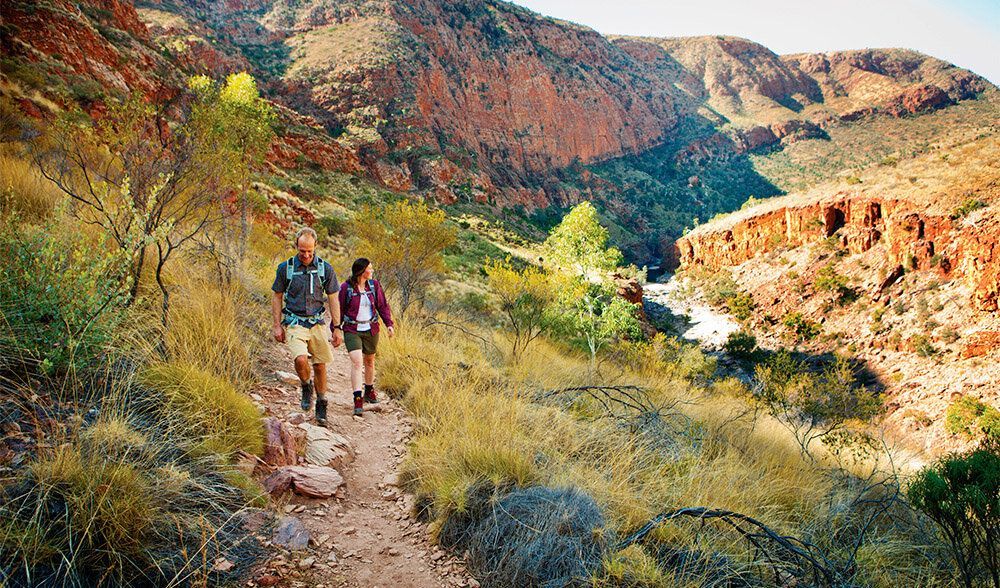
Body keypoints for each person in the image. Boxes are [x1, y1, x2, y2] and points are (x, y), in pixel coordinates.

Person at [271, 227, 343, 425]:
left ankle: (321, 402)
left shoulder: (325, 268)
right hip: (295, 322)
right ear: (296, 246)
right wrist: (277, 325)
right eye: (302, 250)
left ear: (315, 247)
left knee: (320, 364)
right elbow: (277, 296)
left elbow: (334, 298)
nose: (306, 255)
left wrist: (337, 327)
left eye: (310, 251)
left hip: (317, 322)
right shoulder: (286, 268)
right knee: (301, 359)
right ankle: (305, 385)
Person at [337, 258, 394, 416]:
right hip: (352, 329)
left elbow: (382, 306)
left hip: (371, 328)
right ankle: (357, 399)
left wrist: (389, 324)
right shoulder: (346, 288)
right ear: (362, 271)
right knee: (357, 362)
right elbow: (339, 310)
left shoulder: (374, 286)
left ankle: (369, 389)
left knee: (369, 361)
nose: (372, 270)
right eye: (370, 268)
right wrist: (335, 329)